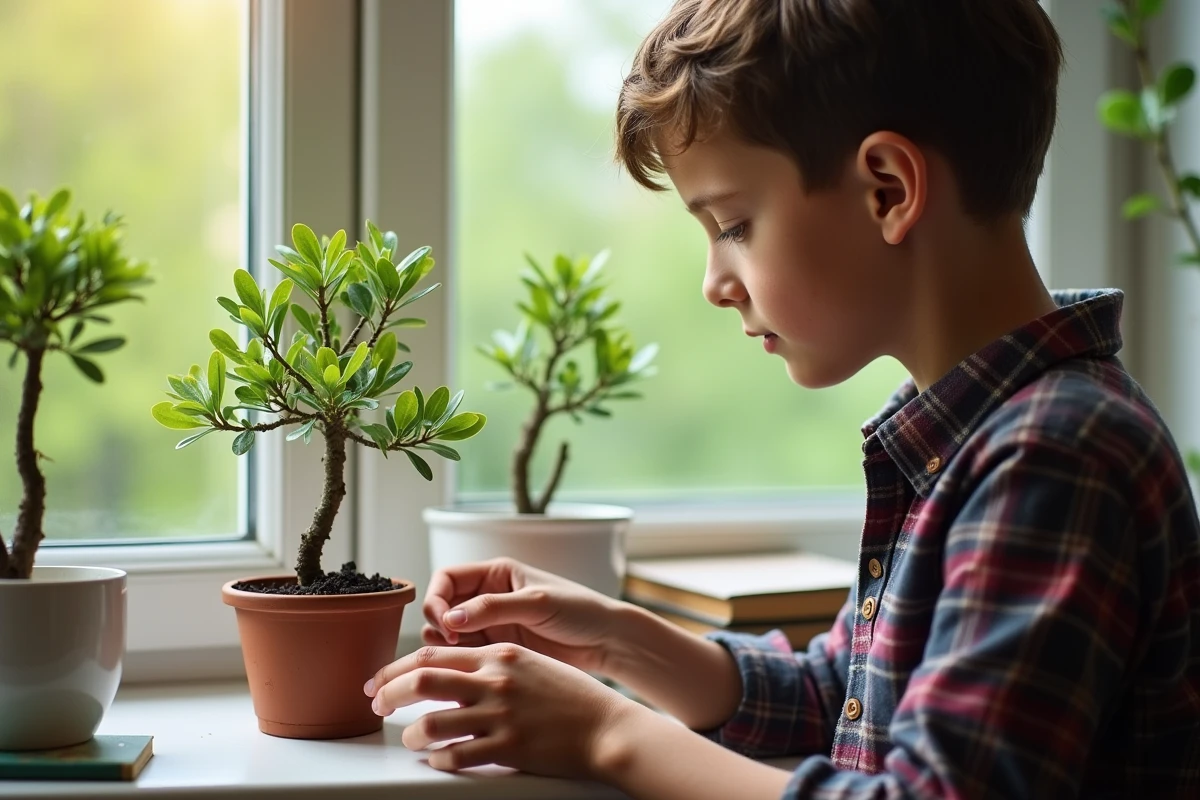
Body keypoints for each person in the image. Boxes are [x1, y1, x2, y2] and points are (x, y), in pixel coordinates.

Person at [364, 0, 1200, 796]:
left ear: (889, 191)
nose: (713, 284)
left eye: (732, 225)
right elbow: (839, 694)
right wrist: (616, 638)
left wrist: (605, 735)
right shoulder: (976, 433)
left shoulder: (1054, 455)